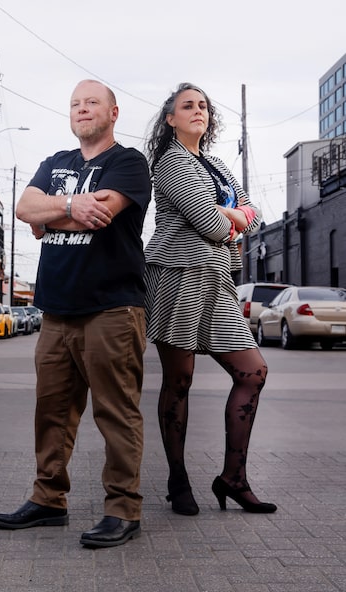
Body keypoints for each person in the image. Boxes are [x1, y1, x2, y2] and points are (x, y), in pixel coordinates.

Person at [0, 80, 152, 548]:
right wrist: (65, 206)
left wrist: (50, 215)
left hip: (112, 308)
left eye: (92, 103)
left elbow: (102, 212)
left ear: (113, 112)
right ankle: (48, 500)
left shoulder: (129, 163)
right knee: (52, 413)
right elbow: (24, 208)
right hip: (56, 310)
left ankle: (123, 509)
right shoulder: (55, 163)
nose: (83, 110)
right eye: (76, 104)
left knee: (116, 413)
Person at [144, 82, 277, 516]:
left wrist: (235, 215)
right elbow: (212, 224)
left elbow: (251, 213)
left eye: (203, 105)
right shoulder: (170, 162)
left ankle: (233, 478)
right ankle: (178, 477)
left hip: (218, 280)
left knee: (253, 371)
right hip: (177, 279)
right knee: (179, 380)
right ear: (171, 118)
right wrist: (232, 216)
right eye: (188, 106)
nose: (198, 111)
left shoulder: (217, 164)